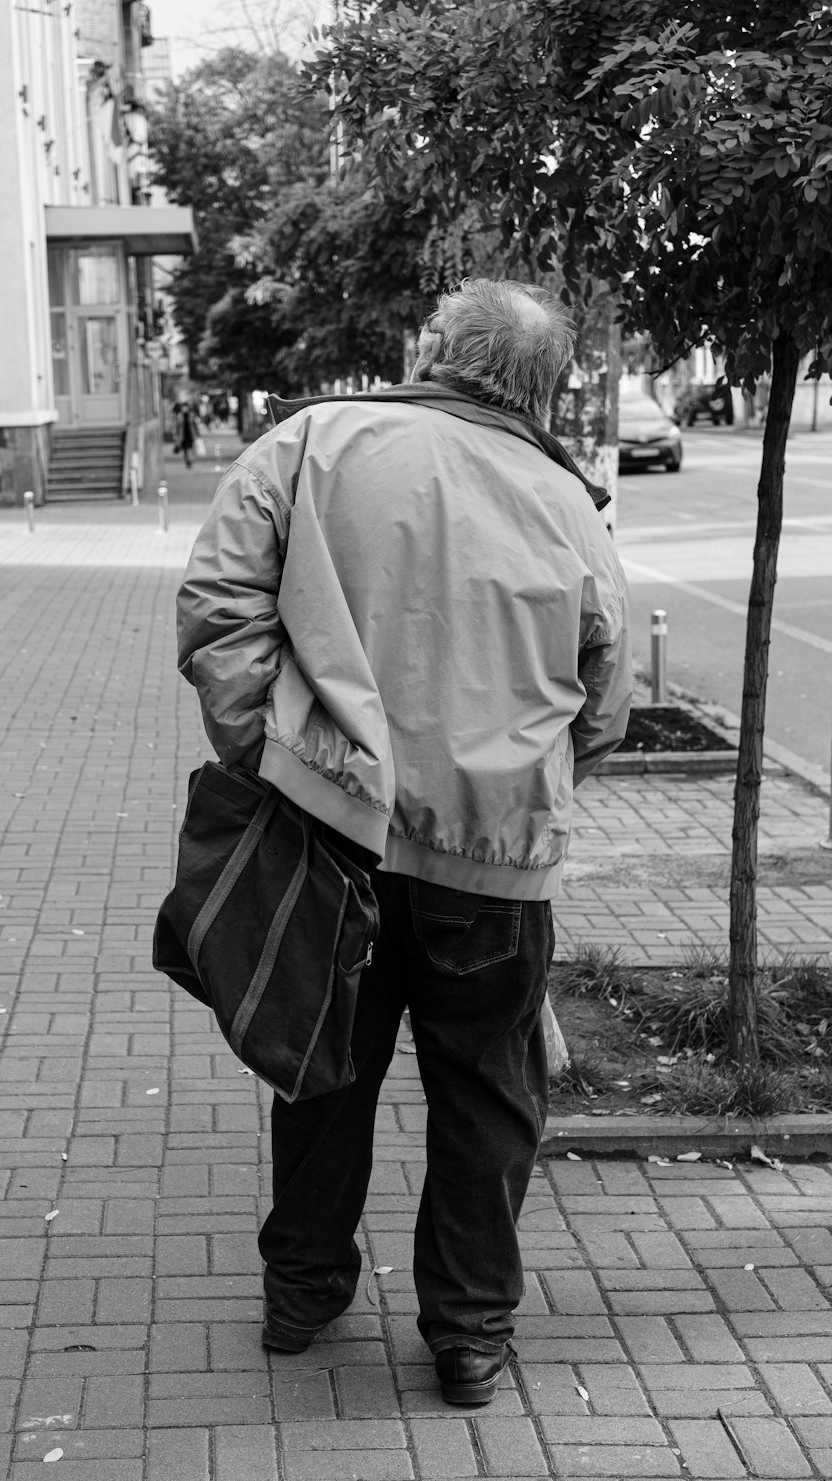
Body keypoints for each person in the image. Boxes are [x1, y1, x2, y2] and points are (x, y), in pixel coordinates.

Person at [175, 278, 632, 1405]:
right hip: (495, 866)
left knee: (322, 1070)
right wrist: (529, 787)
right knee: (487, 1100)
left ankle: (304, 1293)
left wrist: (264, 749)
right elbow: (608, 698)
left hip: (333, 832)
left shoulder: (313, 441)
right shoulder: (568, 501)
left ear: (436, 346)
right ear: (543, 388)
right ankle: (468, 1336)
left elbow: (218, 596)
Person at [172, 395, 199, 467]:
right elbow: (177, 426)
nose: (185, 409)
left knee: (189, 447)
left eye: (186, 407)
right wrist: (175, 435)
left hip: (190, 434)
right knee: (184, 449)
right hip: (182, 435)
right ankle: (187, 460)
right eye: (183, 407)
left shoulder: (191, 415)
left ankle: (190, 460)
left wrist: (197, 433)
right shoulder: (179, 416)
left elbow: (194, 425)